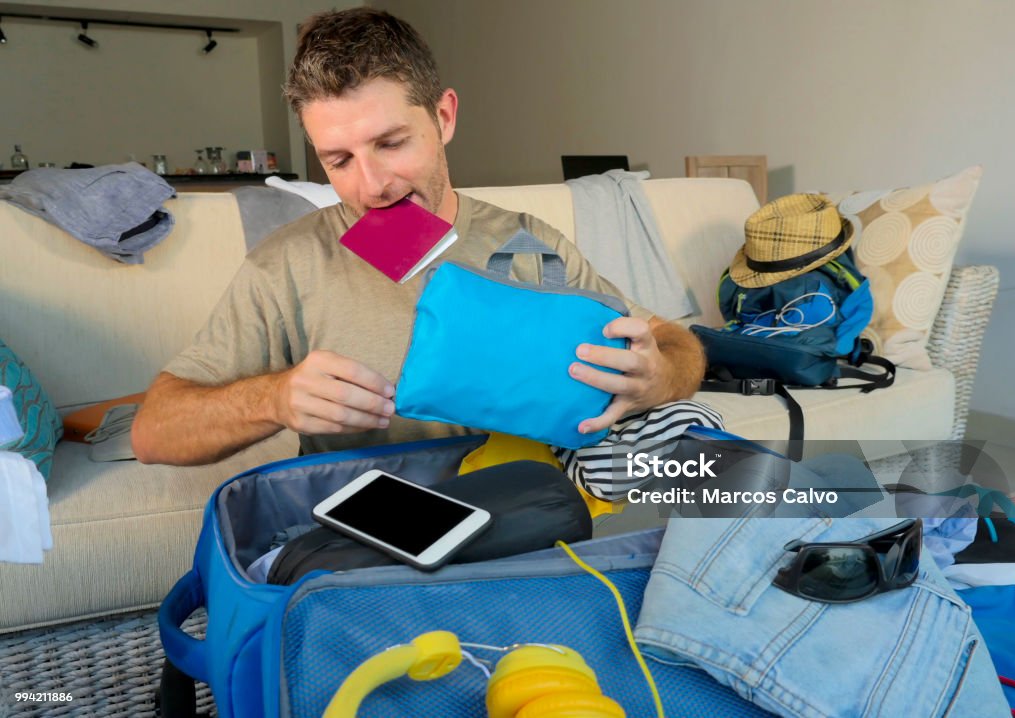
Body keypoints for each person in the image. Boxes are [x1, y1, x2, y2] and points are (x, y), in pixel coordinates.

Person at [131, 8, 706, 466]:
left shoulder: (529, 241)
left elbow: (676, 344)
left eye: (390, 143)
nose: (371, 186)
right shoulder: (287, 263)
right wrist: (273, 398)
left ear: (444, 117)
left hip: (528, 508)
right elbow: (154, 431)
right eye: (339, 160)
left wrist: (658, 377)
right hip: (374, 526)